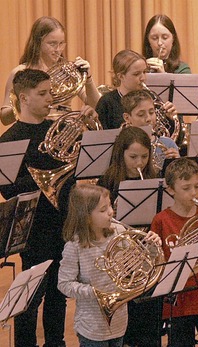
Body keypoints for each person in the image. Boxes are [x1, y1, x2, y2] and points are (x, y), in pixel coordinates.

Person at [0, 68, 83, 347]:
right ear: (24, 98)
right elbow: (8, 189)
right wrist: (40, 176)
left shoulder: (57, 128)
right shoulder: (9, 141)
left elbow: (75, 174)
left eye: (50, 92)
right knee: (31, 294)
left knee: (60, 290)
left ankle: (55, 342)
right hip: (32, 227)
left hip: (63, 220)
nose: (51, 98)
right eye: (43, 93)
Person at [58, 184, 161, 347]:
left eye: (110, 206)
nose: (111, 212)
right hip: (91, 326)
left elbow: (142, 270)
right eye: (103, 210)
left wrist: (152, 248)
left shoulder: (118, 232)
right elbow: (64, 284)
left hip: (120, 321)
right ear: (86, 216)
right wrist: (95, 293)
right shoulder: (74, 246)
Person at [151, 158, 198, 347]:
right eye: (186, 188)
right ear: (171, 190)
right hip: (178, 303)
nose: (194, 193)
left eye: (197, 186)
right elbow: (157, 263)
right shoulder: (161, 220)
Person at [1, 16, 101, 125]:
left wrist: (88, 79)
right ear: (38, 43)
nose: (58, 49)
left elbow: (97, 106)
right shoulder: (21, 72)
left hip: (64, 130)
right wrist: (26, 104)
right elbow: (5, 119)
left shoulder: (68, 72)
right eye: (52, 44)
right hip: (34, 129)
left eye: (61, 43)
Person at [96, 49, 176, 130]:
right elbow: (100, 137)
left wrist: (170, 119)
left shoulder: (151, 96)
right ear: (121, 76)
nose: (143, 78)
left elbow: (169, 135)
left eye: (144, 72)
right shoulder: (106, 103)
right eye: (136, 74)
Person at [121, 89, 180, 171]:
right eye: (141, 115)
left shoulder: (168, 143)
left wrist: (176, 162)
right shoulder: (120, 144)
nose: (148, 119)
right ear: (127, 118)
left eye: (152, 112)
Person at [98, 126, 157, 202]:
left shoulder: (154, 180)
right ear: (121, 154)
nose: (140, 162)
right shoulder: (107, 182)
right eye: (133, 157)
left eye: (144, 156)